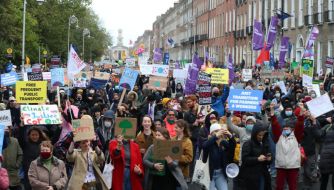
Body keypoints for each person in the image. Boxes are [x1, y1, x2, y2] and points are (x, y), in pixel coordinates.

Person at [270, 102, 305, 190]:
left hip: (293, 166)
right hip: (281, 166)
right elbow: (274, 124)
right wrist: (272, 111)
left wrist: (301, 111)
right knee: (279, 187)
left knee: (293, 187)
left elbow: (300, 124)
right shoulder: (279, 136)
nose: (286, 129)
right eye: (284, 128)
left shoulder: (296, 136)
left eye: (288, 128)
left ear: (292, 129)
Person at [202, 123, 236, 190]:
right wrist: (215, 137)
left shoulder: (223, 143)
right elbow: (204, 146)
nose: (219, 133)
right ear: (211, 133)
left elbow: (232, 147)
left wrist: (230, 136)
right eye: (216, 131)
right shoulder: (209, 142)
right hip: (209, 173)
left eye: (219, 130)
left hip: (220, 173)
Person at [239, 122, 272, 190]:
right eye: (259, 135)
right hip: (250, 176)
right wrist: (257, 159)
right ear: (254, 134)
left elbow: (268, 159)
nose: (261, 137)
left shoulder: (264, 144)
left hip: (262, 174)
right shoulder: (248, 143)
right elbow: (245, 159)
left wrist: (268, 159)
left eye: (263, 135)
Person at [18, 125, 48, 190]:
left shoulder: (43, 144)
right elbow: (20, 138)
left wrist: (59, 128)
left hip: (40, 172)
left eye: (36, 135)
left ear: (39, 135)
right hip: (28, 173)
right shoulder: (25, 144)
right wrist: (22, 127)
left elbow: (54, 141)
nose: (34, 137)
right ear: (29, 135)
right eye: (33, 135)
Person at [319, 117, 334, 190]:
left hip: (325, 156)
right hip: (328, 156)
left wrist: (314, 123)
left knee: (324, 181)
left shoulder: (327, 128)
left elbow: (318, 135)